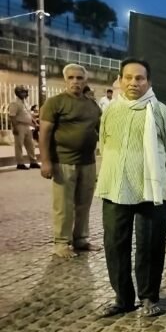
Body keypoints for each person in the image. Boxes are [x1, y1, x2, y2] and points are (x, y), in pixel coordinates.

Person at [96, 58, 166, 317]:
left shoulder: (160, 112)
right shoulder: (111, 110)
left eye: (139, 78)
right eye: (129, 77)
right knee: (115, 245)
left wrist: (154, 171)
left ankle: (149, 297)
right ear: (120, 80)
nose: (133, 82)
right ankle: (123, 299)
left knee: (150, 245)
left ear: (149, 82)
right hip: (115, 187)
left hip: (150, 191)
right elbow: (103, 143)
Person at [39, 64, 102, 259]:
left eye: (79, 78)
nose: (75, 81)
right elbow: (44, 134)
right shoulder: (55, 103)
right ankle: (61, 243)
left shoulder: (92, 105)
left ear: (85, 81)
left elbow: (103, 130)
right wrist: (46, 161)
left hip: (88, 162)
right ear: (65, 80)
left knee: (84, 203)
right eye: (71, 77)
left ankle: (81, 239)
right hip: (63, 161)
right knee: (64, 205)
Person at [8, 85, 40, 170]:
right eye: (22, 92)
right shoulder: (14, 103)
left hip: (27, 126)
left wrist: (35, 123)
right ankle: (20, 163)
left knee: (31, 145)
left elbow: (29, 114)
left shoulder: (25, 102)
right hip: (19, 125)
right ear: (18, 93)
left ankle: (33, 162)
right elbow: (12, 116)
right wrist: (15, 128)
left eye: (25, 92)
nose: (24, 94)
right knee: (19, 145)